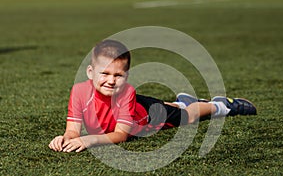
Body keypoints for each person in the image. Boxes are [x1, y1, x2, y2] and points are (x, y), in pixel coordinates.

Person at [49, 39, 257, 153]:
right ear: (90, 72)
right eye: (104, 73)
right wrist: (64, 139)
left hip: (148, 116)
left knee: (188, 116)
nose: (111, 81)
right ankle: (181, 101)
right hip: (136, 107)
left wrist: (89, 141)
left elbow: (121, 135)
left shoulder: (126, 92)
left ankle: (222, 106)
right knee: (175, 107)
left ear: (127, 76)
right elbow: (72, 131)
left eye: (118, 75)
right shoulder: (78, 91)